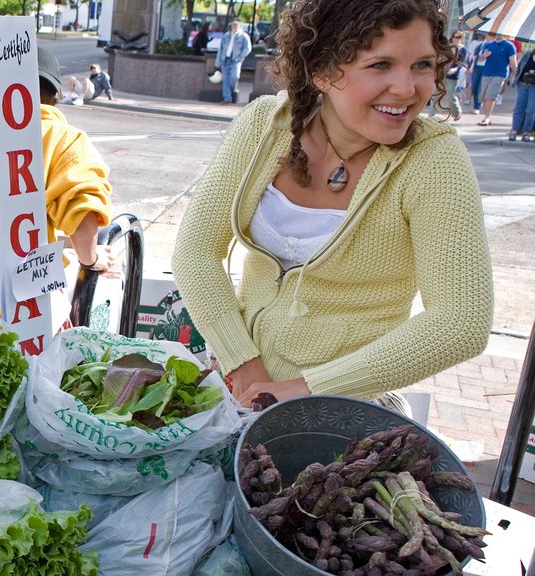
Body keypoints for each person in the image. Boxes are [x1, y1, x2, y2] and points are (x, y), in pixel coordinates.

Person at [170, 0, 493, 408]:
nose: (407, 89)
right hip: (234, 387)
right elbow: (195, 251)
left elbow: (461, 322)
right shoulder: (264, 126)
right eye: (380, 65)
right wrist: (242, 364)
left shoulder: (434, 160)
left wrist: (306, 390)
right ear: (322, 70)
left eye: (423, 65)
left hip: (345, 414)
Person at [0, 47, 116, 277]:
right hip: (32, 288)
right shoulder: (65, 139)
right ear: (56, 97)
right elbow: (82, 216)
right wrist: (92, 259)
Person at [476, 32, 517, 126]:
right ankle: (486, 117)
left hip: (500, 74)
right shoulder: (489, 44)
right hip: (486, 73)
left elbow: (513, 62)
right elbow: (480, 59)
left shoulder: (509, 46)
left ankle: (486, 118)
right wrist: (484, 56)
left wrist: (515, 74)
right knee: (483, 96)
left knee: (490, 96)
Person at [217, 18, 251, 104]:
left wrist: (240, 57)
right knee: (225, 79)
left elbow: (248, 48)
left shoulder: (243, 36)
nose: (234, 26)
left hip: (235, 60)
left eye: (236, 25)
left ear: (239, 26)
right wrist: (217, 61)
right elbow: (220, 49)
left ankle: (232, 89)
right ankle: (227, 98)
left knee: (234, 77)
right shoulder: (226, 35)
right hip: (225, 59)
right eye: (233, 24)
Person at [510, 48, 535, 141]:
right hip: (523, 84)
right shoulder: (528, 55)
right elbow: (520, 67)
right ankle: (514, 130)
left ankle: (526, 132)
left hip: (534, 86)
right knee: (518, 108)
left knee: (531, 110)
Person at [442, 31, 466, 121]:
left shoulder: (463, 49)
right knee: (435, 94)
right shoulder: (448, 47)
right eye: (455, 37)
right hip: (443, 72)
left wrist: (455, 69)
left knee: (449, 94)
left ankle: (456, 112)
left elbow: (460, 62)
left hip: (452, 75)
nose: (456, 39)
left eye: (459, 37)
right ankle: (432, 114)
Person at [467, 33, 486, 114]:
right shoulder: (481, 45)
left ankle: (477, 106)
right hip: (477, 67)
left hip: (486, 68)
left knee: (479, 87)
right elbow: (475, 57)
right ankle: (477, 102)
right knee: (474, 86)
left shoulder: (491, 45)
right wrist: (471, 67)